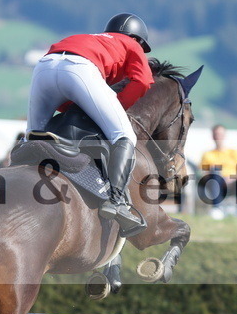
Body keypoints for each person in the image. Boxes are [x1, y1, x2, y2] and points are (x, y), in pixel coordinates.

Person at [25, 13, 154, 236]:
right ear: (139, 39)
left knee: (32, 137)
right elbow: (143, 81)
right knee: (124, 136)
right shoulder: (132, 45)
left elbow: (69, 102)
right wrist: (118, 105)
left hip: (45, 66)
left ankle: (10, 178)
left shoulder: (90, 38)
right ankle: (116, 201)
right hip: (80, 69)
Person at [199, 125, 237, 221]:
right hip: (215, 182)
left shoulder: (234, 152)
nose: (218, 137)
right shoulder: (207, 154)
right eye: (216, 134)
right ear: (212, 136)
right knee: (214, 170)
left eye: (220, 134)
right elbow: (204, 172)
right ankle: (217, 209)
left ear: (225, 136)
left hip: (235, 182)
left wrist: (232, 178)